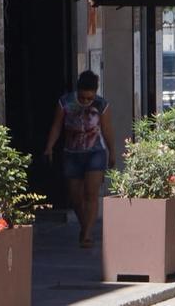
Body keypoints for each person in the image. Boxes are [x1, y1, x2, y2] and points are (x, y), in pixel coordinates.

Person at [44, 70, 116, 248]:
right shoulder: (65, 103)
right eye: (82, 98)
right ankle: (85, 225)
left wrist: (112, 151)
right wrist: (49, 147)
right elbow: (56, 126)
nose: (85, 102)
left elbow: (107, 129)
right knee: (75, 197)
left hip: (95, 153)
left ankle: (87, 233)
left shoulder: (101, 105)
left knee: (91, 194)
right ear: (78, 91)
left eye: (89, 98)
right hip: (72, 153)